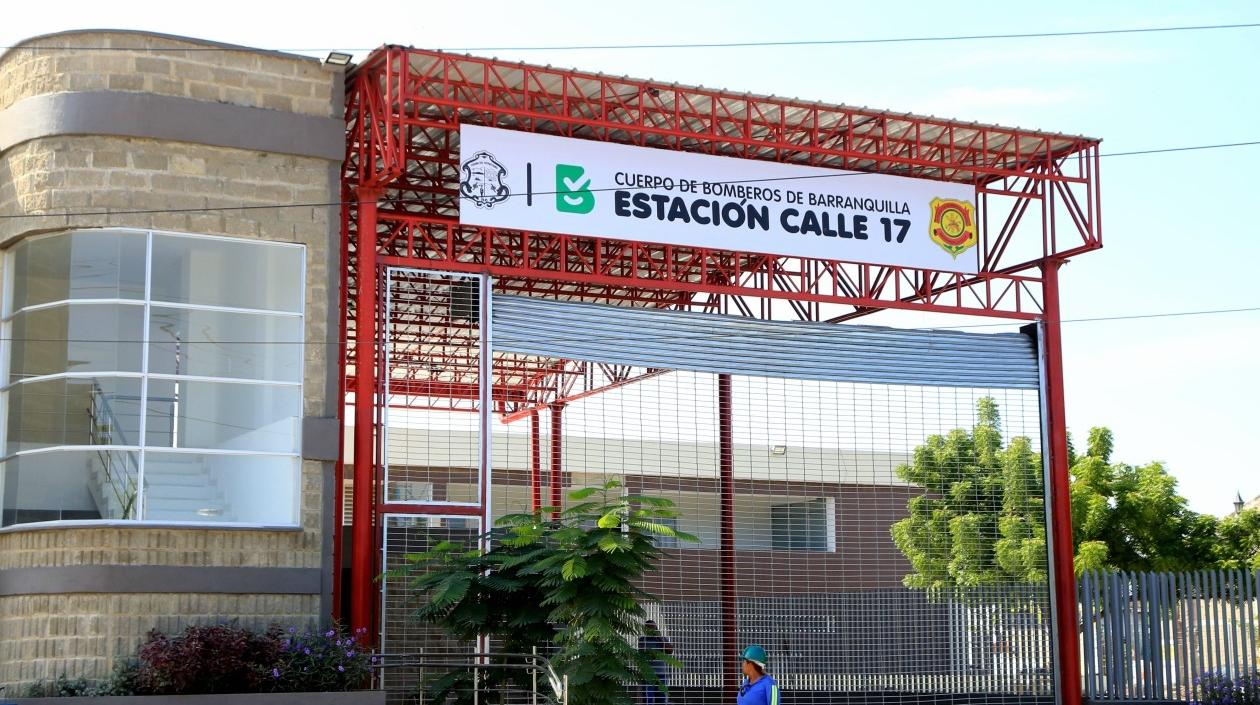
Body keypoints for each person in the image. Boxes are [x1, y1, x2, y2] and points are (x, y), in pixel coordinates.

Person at [638, 619, 674, 705]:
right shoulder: (643, 640)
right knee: (648, 700)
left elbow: (670, 650)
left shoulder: (663, 639)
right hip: (648, 675)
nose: (651, 630)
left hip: (662, 675)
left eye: (653, 627)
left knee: (661, 699)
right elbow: (645, 655)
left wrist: (660, 638)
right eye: (649, 628)